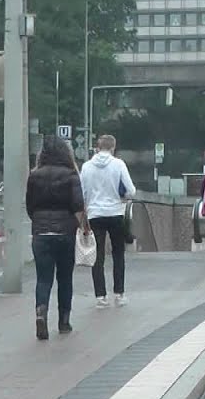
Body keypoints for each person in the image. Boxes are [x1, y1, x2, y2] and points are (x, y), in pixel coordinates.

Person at [25, 136, 89, 339]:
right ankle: (64, 322)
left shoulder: (34, 176)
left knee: (43, 278)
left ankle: (41, 312)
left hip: (41, 233)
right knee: (65, 278)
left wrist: (39, 223)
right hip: (65, 232)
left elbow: (30, 206)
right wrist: (84, 227)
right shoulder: (71, 175)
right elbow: (78, 205)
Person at [79, 135, 135, 308]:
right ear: (113, 147)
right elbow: (131, 190)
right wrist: (122, 196)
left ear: (97, 147)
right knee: (118, 254)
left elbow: (82, 193)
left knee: (97, 256)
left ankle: (100, 297)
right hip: (116, 213)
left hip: (95, 215)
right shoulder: (119, 164)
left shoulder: (86, 166)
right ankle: (119, 294)